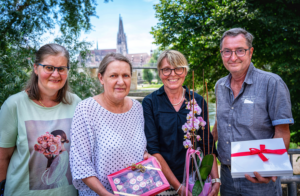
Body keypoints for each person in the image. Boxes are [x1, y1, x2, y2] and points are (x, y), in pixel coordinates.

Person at [212, 28, 293, 196]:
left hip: (259, 179)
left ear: (251, 52)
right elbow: (220, 123)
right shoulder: (219, 86)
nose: (233, 57)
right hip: (227, 177)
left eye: (240, 50)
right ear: (221, 54)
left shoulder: (272, 83)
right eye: (227, 51)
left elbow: (282, 132)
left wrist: (270, 169)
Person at [0, 43, 81, 196]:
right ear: (36, 68)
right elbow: (2, 157)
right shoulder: (14, 105)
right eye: (49, 67)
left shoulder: (76, 103)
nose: (56, 74)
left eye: (61, 69)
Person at [70, 53, 149, 196]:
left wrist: (148, 157)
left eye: (126, 75)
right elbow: (81, 164)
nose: (121, 81)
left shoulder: (137, 108)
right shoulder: (86, 109)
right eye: (113, 76)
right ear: (101, 78)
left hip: (136, 191)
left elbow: (138, 150)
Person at [143, 50, 220, 196]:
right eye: (166, 69)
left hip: (194, 180)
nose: (172, 74)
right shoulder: (150, 102)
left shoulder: (197, 101)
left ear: (185, 72)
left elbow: (208, 145)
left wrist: (216, 180)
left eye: (178, 68)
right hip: (162, 182)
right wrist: (178, 187)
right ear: (159, 73)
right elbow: (153, 148)